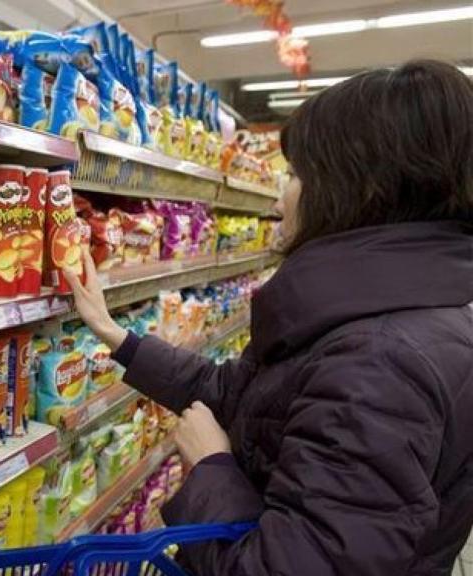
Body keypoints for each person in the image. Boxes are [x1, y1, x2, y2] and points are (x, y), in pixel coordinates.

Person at [64, 59, 473, 575]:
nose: (282, 192)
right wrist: (117, 337)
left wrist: (211, 469)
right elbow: (243, 395)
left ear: (356, 190)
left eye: (298, 173)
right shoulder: (381, 317)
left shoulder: (379, 362)